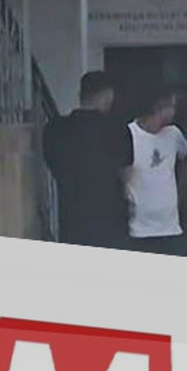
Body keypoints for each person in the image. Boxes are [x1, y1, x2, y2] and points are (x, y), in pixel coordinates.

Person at [42, 71, 134, 250]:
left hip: (72, 222)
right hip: (111, 223)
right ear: (108, 95)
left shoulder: (55, 130)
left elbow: (52, 164)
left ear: (80, 95)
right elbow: (127, 174)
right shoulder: (117, 130)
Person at [125, 86, 187, 257]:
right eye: (172, 106)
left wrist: (181, 188)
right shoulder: (130, 134)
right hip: (139, 227)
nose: (174, 112)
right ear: (159, 107)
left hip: (170, 225)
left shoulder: (174, 134)